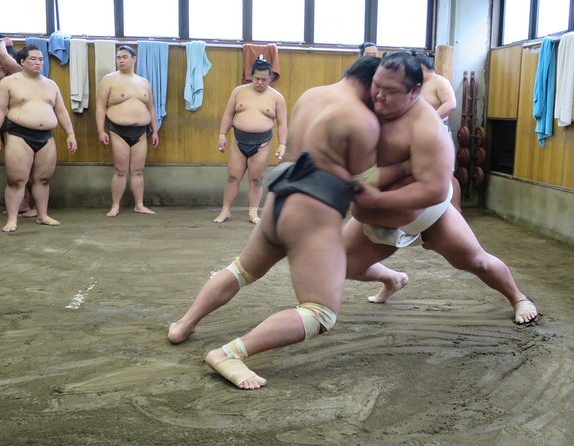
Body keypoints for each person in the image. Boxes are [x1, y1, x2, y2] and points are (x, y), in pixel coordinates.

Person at [168, 57, 404, 390]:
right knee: (320, 311)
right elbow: (366, 186)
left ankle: (183, 325)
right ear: (371, 85)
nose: (381, 100)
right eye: (380, 92)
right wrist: (406, 170)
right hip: (313, 210)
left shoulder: (312, 95)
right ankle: (229, 354)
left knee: (240, 270)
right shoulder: (362, 119)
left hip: (279, 195)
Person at [343, 52, 538, 325]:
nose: (379, 95)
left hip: (429, 211)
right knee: (339, 264)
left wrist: (376, 198)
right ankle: (393, 279)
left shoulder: (428, 128)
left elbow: (433, 190)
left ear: (414, 91)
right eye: (377, 85)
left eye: (391, 90)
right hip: (381, 210)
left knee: (476, 261)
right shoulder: (368, 104)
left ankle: (518, 297)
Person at [0, 44, 77, 233]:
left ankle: (42, 215)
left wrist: (70, 134)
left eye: (41, 59)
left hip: (46, 137)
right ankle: (12, 219)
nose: (38, 62)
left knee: (43, 179)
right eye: (33, 59)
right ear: (22, 61)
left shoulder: (51, 84)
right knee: (16, 180)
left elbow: (61, 111)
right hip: (19, 135)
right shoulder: (9, 82)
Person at [214, 58, 288, 224]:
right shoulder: (239, 91)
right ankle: (225, 211)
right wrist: (222, 134)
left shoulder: (277, 98)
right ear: (251, 76)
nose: (260, 82)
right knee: (233, 177)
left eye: (264, 79)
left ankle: (253, 214)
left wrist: (282, 144)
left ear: (270, 78)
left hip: (262, 144)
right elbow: (228, 114)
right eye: (256, 78)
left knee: (256, 180)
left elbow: (282, 123)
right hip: (239, 141)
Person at [96, 45, 159, 217]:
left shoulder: (144, 82)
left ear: (134, 59)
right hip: (117, 130)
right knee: (120, 170)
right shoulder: (109, 80)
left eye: (124, 57)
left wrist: (155, 131)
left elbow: (151, 108)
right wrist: (101, 131)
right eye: (118, 57)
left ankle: (139, 205)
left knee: (138, 170)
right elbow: (100, 107)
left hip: (140, 132)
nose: (121, 60)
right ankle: (115, 206)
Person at [0, 34, 37, 218]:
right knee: (16, 170)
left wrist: (2, 42)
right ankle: (22, 205)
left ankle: (31, 207)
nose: (0, 66)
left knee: (28, 171)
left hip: (27, 129)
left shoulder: (18, 70)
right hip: (11, 126)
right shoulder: (7, 77)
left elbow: (2, 54)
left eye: (2, 62)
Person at [416, 52, 462, 212]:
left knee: (447, 174)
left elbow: (450, 104)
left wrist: (431, 119)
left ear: (421, 66)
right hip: (422, 133)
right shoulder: (419, 83)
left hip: (439, 130)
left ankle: (455, 208)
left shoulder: (439, 81)